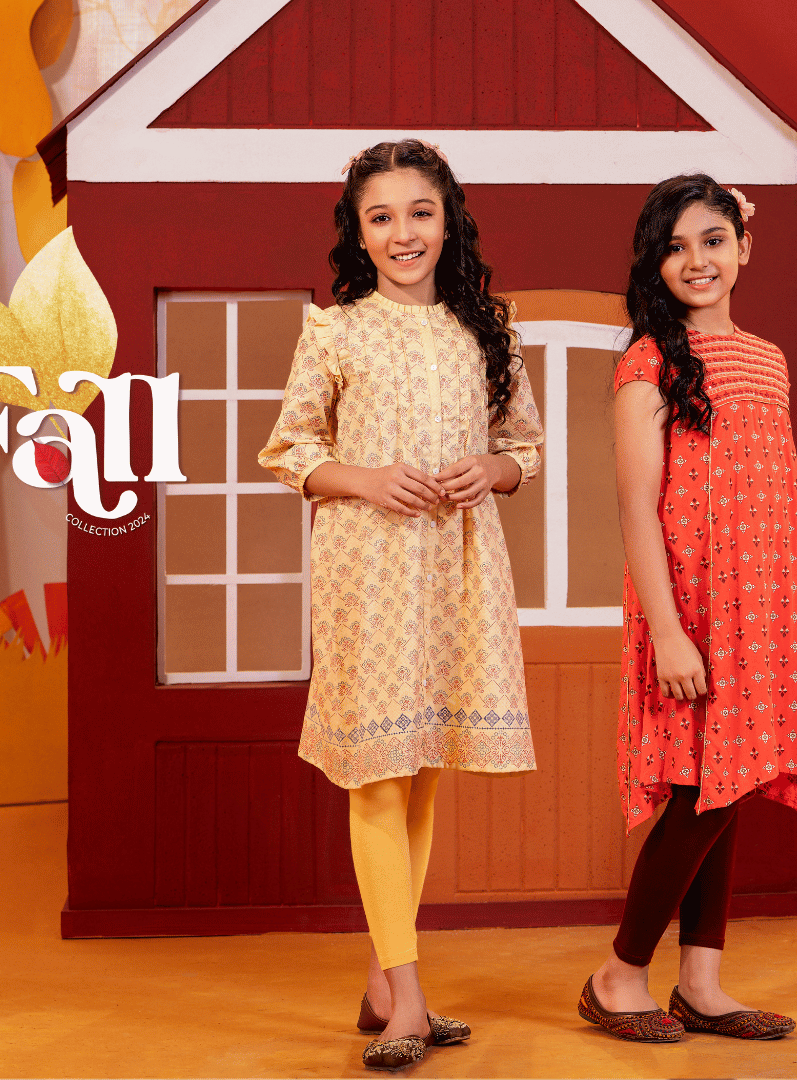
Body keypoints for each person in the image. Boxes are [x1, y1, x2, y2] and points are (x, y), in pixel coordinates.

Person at [259, 139, 544, 1070]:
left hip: (456, 570)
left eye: (419, 212)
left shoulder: (487, 328)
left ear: (449, 220)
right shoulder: (334, 332)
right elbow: (290, 450)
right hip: (368, 570)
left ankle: (385, 983)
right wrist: (368, 478)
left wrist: (492, 470)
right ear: (358, 233)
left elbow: (525, 448)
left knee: (420, 774)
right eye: (380, 217)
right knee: (379, 778)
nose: (402, 233)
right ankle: (410, 1000)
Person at [577, 175, 797, 1043]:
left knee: (735, 782)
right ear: (655, 261)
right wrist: (670, 632)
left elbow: (780, 501)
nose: (697, 261)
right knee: (701, 791)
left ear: (743, 247)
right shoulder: (648, 361)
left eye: (714, 240)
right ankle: (617, 976)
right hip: (690, 608)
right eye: (676, 247)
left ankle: (702, 984)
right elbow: (635, 509)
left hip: (765, 606)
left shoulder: (767, 360)